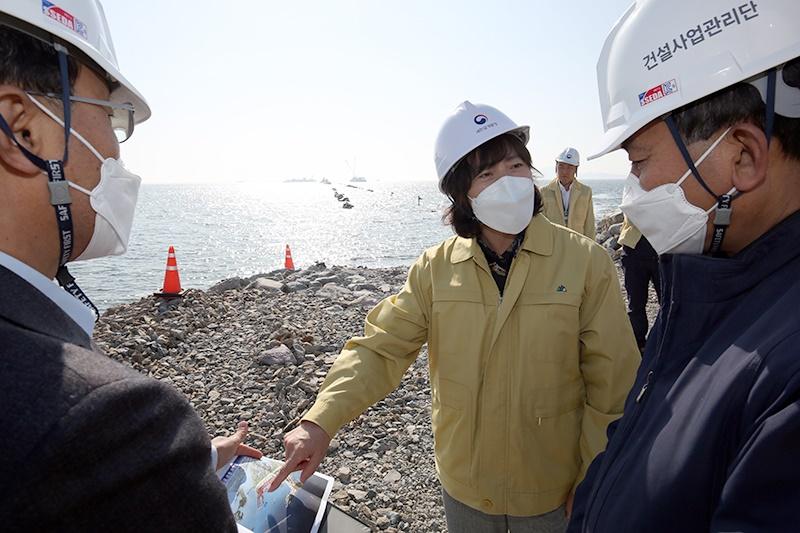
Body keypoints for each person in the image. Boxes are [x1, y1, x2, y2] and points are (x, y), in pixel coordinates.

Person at [271, 101, 640, 532]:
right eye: (486, 174)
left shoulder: (586, 262)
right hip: (465, 487)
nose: (508, 181)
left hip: (553, 489)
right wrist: (320, 421)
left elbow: (613, 384)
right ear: (462, 194)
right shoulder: (435, 269)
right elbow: (380, 349)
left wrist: (595, 474)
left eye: (516, 165)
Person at [0, 2, 256, 530]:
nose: (117, 150)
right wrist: (161, 465)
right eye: (112, 115)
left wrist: (190, 469)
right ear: (24, 131)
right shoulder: (116, 423)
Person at [568, 1, 800, 531]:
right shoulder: (718, 291)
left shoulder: (786, 374)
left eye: (638, 162)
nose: (633, 192)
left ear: (742, 155)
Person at [617, 216, 661, 352]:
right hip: (634, 248)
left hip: (663, 249)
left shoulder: (673, 193)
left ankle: (664, 343)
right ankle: (637, 346)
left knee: (668, 302)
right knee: (635, 304)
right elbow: (633, 211)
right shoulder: (634, 193)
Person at [541, 147, 596, 239]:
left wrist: (591, 249)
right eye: (561, 166)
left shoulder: (586, 192)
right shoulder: (544, 192)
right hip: (554, 245)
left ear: (576, 169)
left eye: (570, 167)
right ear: (556, 167)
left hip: (578, 244)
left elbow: (589, 224)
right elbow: (541, 224)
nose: (564, 171)